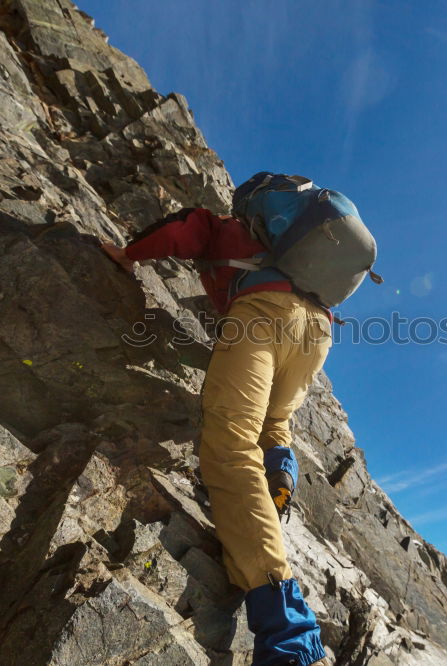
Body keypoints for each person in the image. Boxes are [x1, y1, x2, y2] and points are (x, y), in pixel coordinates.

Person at [102, 203, 333, 666]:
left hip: (263, 314)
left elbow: (181, 232)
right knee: (273, 421)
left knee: (231, 444)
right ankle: (279, 475)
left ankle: (288, 634)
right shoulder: (296, 256)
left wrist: (128, 254)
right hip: (318, 333)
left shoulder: (226, 227)